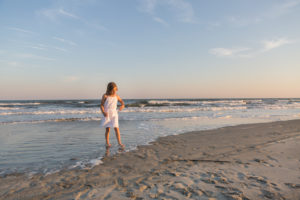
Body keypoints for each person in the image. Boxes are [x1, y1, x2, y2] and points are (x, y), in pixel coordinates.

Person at [100, 82, 125, 148]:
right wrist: (103, 112)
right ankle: (107, 142)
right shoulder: (105, 96)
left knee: (116, 128)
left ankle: (119, 143)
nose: (115, 91)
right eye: (114, 90)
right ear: (110, 89)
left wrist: (122, 105)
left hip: (114, 114)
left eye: (116, 90)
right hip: (107, 114)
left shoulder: (117, 96)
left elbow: (122, 102)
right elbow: (102, 105)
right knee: (108, 129)